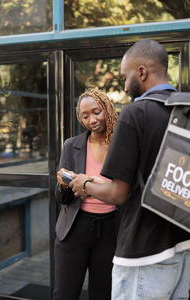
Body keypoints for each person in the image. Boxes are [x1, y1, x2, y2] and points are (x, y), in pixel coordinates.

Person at [69, 39, 190, 300]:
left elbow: (118, 194)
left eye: (126, 77)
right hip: (184, 245)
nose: (124, 86)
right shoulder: (185, 109)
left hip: (144, 252)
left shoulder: (135, 113)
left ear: (142, 72)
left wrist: (84, 185)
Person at [52, 88, 118, 300]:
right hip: (75, 228)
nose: (92, 120)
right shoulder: (71, 146)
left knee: (103, 293)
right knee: (64, 293)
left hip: (111, 229)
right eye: (85, 115)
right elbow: (62, 199)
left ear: (107, 109)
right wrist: (64, 184)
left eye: (97, 112)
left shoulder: (122, 144)